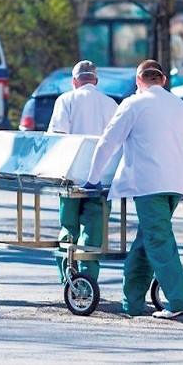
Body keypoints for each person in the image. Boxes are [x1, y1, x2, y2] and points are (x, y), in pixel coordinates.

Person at [83, 59, 183, 319]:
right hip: (175, 183)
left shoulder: (134, 104)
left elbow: (107, 142)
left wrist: (92, 178)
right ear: (163, 80)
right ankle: (131, 302)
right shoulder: (179, 105)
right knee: (146, 241)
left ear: (138, 81)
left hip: (149, 184)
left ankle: (179, 300)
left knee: (157, 240)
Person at [47, 60, 118, 284]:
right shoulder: (111, 104)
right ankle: (88, 280)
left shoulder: (65, 100)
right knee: (94, 230)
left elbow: (57, 137)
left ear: (74, 81)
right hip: (102, 179)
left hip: (70, 177)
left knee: (68, 227)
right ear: (95, 80)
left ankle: (67, 277)